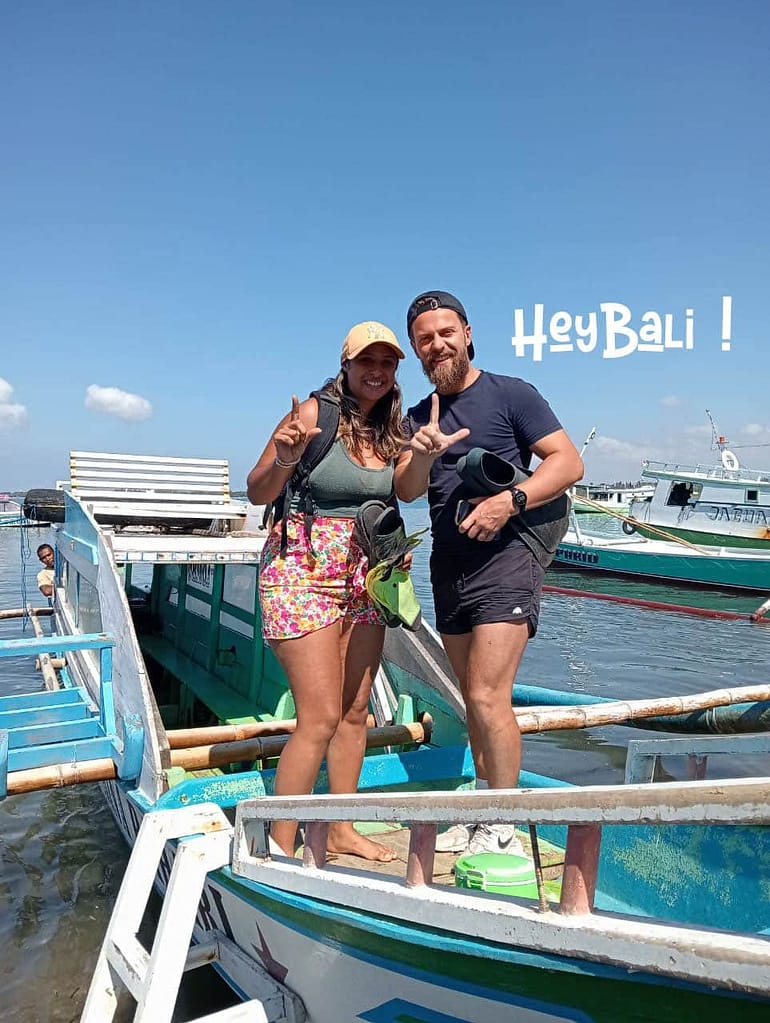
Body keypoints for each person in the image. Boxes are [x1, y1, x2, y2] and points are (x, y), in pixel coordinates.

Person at [395, 291, 584, 856]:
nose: (437, 345)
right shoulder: (415, 417)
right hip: (449, 565)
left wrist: (512, 501)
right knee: (468, 695)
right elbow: (406, 489)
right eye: (425, 338)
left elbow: (568, 462)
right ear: (416, 348)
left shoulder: (511, 394)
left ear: (468, 333)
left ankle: (503, 823)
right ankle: (482, 807)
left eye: (446, 332)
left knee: (486, 692)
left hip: (508, 558)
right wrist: (423, 452)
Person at [247, 321, 407, 861]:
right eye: (368, 360)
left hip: (366, 575)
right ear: (346, 364)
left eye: (387, 363)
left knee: (355, 710)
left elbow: (400, 495)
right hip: (303, 568)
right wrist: (288, 454)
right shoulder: (314, 414)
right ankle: (278, 844)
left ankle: (340, 827)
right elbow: (256, 489)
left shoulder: (393, 429)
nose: (377, 371)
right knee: (317, 718)